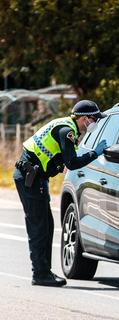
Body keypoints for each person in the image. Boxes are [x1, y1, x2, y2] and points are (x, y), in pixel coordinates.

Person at [14, 100, 108, 287]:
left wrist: (58, 165)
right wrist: (96, 153)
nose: (95, 122)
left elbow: (57, 158)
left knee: (46, 226)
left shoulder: (64, 125)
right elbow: (72, 163)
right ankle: (40, 274)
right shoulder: (68, 131)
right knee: (39, 228)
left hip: (33, 177)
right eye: (94, 118)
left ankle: (43, 272)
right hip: (30, 178)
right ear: (84, 118)